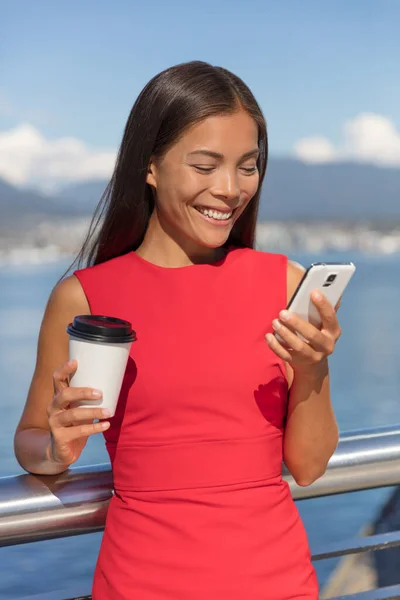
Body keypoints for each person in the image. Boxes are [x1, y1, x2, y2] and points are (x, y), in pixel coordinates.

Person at [14, 61, 341, 599]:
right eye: (205, 165)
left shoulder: (284, 283)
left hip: (278, 582)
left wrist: (314, 367)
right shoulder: (86, 297)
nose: (231, 189)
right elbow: (31, 443)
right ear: (150, 164)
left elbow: (307, 466)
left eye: (248, 167)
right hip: (141, 583)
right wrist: (58, 446)